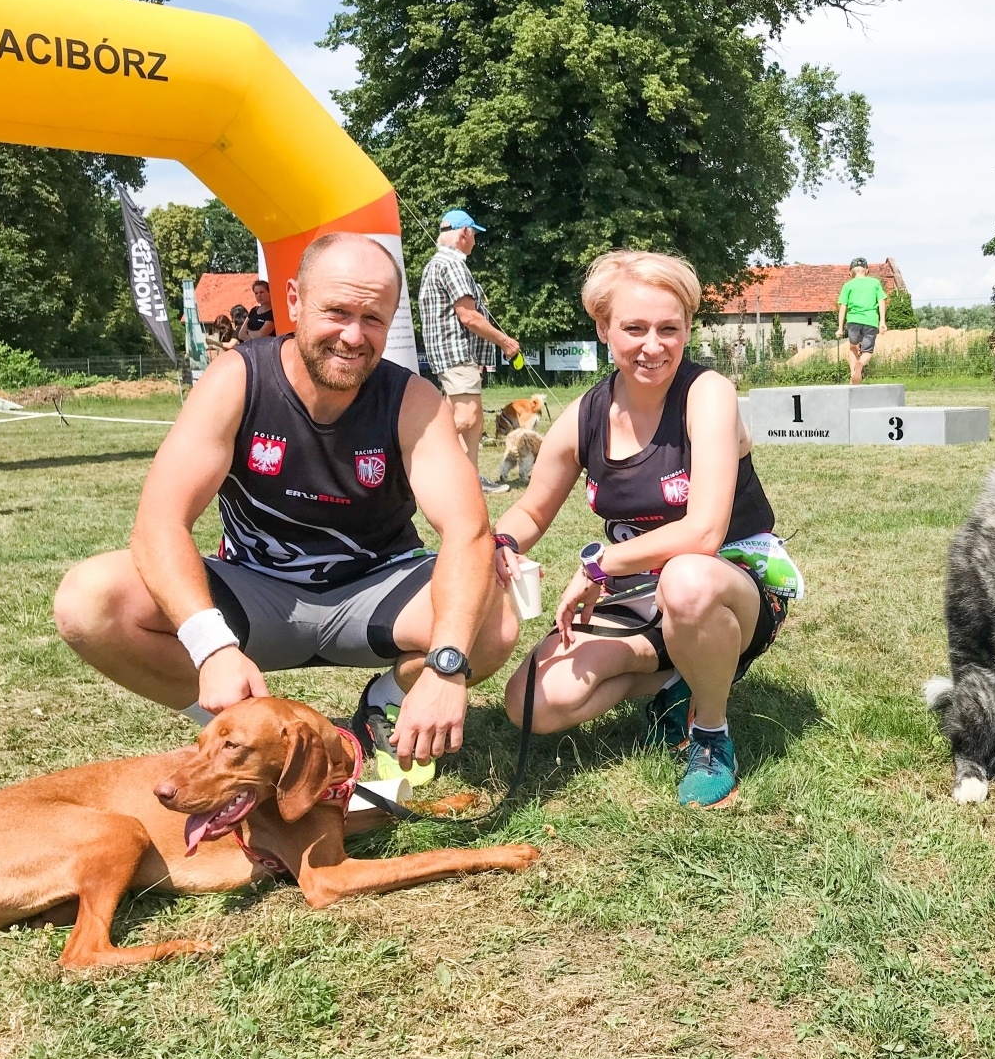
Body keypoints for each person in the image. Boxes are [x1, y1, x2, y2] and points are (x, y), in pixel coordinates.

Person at [53, 233, 521, 785]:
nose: (353, 335)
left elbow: (468, 530)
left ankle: (386, 706)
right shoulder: (237, 379)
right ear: (295, 301)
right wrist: (211, 647)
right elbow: (158, 524)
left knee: (492, 617)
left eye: (373, 318)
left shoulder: (412, 399)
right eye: (337, 311)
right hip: (257, 590)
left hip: (372, 589)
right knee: (89, 600)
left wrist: (446, 665)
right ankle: (240, 728)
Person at [487, 250, 795, 809]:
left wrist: (601, 565)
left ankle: (710, 733)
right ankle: (675, 678)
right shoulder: (585, 414)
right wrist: (501, 544)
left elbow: (703, 533)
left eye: (669, 329)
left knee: (687, 581)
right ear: (604, 328)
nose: (653, 346)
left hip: (728, 585)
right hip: (636, 591)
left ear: (687, 329)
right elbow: (531, 511)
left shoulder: (708, 395)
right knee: (532, 703)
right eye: (634, 328)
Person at [418, 208, 522, 495]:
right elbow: (469, 316)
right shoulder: (453, 264)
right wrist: (505, 342)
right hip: (455, 352)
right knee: (467, 418)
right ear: (464, 233)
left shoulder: (435, 264)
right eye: (474, 235)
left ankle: (468, 479)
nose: (475, 242)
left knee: (471, 423)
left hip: (452, 354)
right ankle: (416, 460)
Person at [835, 258, 888, 385]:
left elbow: (843, 307)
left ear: (850, 274)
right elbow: (881, 301)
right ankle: (861, 363)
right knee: (867, 351)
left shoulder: (848, 285)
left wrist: (840, 328)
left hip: (853, 321)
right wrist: (882, 322)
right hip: (870, 321)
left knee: (853, 347)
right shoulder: (875, 283)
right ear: (867, 271)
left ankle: (853, 376)